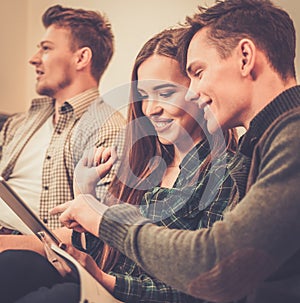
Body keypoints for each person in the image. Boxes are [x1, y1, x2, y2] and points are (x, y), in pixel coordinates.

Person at [51, 0, 300, 302]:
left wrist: (106, 220)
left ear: (245, 57)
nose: (193, 92)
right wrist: (88, 200)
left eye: (198, 72)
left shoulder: (289, 139)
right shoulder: (264, 142)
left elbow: (216, 266)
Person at [0, 28, 238, 302]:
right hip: (104, 281)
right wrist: (85, 193)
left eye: (164, 93)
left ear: (197, 91)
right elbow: (111, 248)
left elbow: (203, 286)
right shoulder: (146, 165)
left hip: (129, 294)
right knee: (14, 266)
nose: (150, 109)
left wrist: (105, 280)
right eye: (144, 96)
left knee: (59, 296)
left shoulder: (222, 173)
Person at [0, 4, 125, 235]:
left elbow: (101, 232)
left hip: (31, 251)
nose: (33, 59)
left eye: (46, 49)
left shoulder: (110, 130)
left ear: (81, 58)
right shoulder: (20, 123)